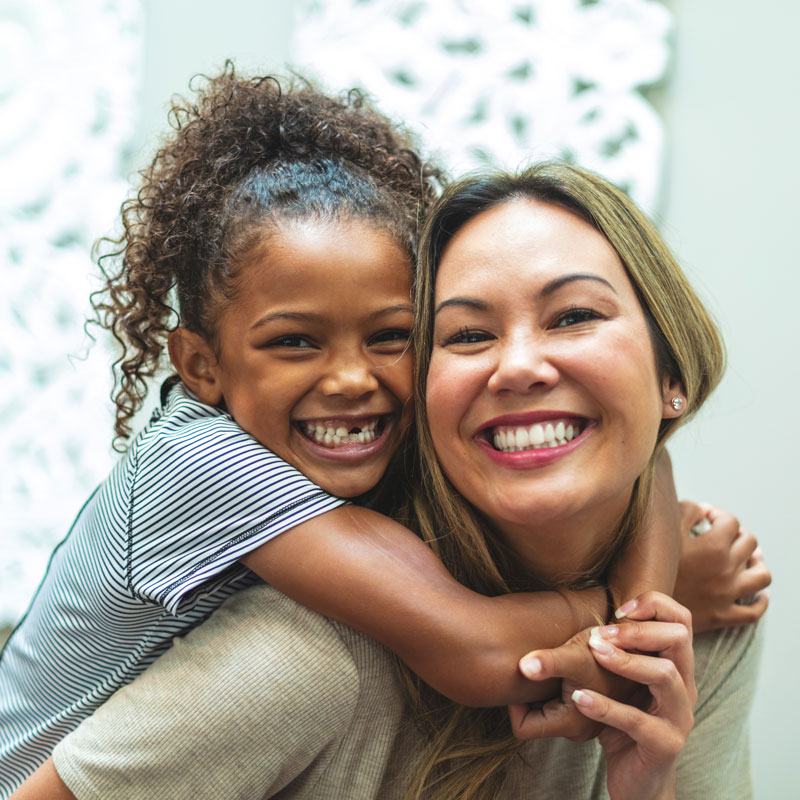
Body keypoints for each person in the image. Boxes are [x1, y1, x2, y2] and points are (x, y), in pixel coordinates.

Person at [0, 67, 698, 797]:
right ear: (201, 365)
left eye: (390, 336)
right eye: (294, 342)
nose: (351, 380)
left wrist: (646, 597)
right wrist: (634, 618)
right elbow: (478, 651)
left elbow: (648, 458)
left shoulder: (365, 438)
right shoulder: (197, 463)